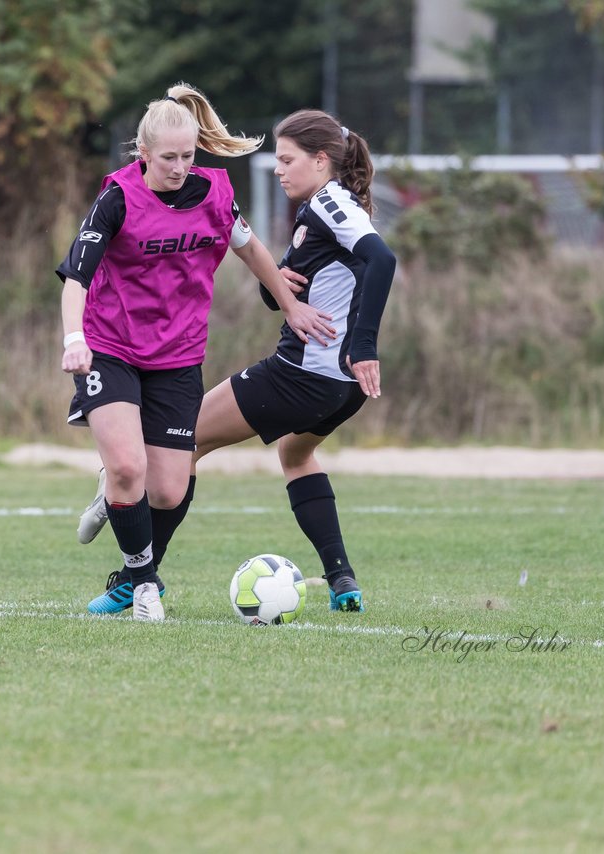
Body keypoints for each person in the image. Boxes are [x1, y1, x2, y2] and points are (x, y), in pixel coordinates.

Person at [77, 108, 398, 613]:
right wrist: (284, 290)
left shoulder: (331, 203)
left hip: (303, 375)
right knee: (295, 456)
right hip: (342, 389)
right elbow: (290, 284)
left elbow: (382, 259)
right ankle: (342, 579)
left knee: (181, 449)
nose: (278, 169)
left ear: (320, 160)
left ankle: (138, 578)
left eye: (288, 159)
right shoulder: (324, 210)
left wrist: (365, 345)